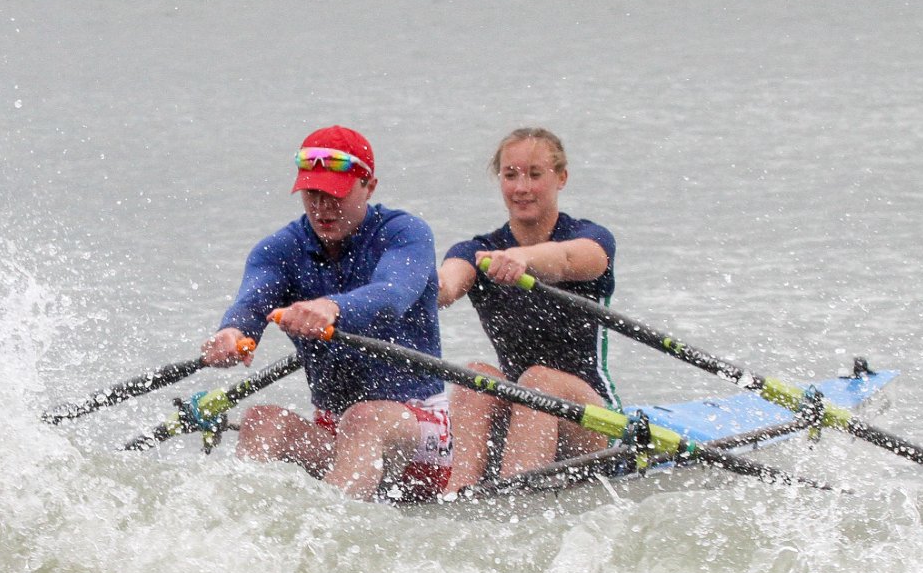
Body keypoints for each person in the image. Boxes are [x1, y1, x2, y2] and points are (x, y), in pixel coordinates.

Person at [200, 126, 452, 502]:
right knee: (262, 420)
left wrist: (332, 307)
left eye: (336, 194)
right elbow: (250, 306)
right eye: (312, 194)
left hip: (417, 432)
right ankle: (238, 533)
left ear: (369, 185)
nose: (322, 208)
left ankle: (329, 536)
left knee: (363, 419)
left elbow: (393, 295)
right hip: (332, 431)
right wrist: (231, 334)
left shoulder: (405, 233)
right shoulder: (279, 250)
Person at [436, 128, 618, 489]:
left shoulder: (591, 238)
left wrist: (521, 259)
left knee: (538, 379)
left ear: (561, 178)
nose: (522, 187)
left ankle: (516, 496)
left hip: (593, 421)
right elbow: (446, 286)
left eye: (535, 174)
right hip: (521, 412)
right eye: (511, 175)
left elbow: (566, 260)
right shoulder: (477, 251)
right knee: (475, 376)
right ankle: (459, 492)